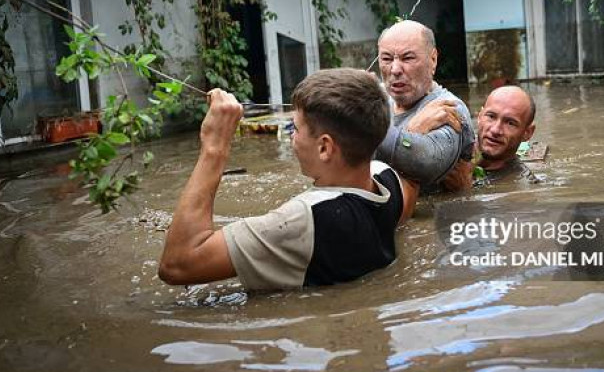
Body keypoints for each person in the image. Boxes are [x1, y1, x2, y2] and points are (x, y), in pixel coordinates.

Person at [158, 68, 419, 289]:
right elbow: (408, 197)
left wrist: (214, 147)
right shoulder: (388, 179)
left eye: (295, 128)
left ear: (325, 148)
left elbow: (177, 264)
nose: (292, 137)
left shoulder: (305, 217)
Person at [374, 20, 475, 191]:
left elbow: (425, 164)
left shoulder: (448, 108)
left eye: (408, 58)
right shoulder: (373, 97)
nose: (395, 69)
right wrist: (412, 130)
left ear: (433, 60)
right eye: (386, 58)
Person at [437, 86, 538, 190]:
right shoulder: (451, 147)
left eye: (510, 123)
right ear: (480, 116)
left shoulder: (522, 185)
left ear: (527, 132)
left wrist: (464, 190)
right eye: (491, 116)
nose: (495, 130)